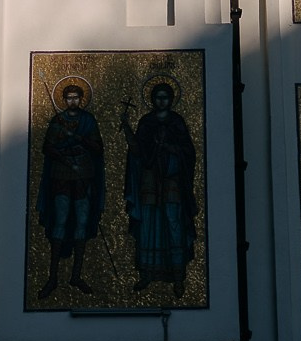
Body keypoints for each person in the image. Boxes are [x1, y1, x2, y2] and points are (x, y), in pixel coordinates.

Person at [121, 81, 197, 294]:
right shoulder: (146, 122)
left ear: (171, 99)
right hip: (150, 181)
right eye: (158, 97)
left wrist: (170, 148)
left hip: (172, 180)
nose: (161, 101)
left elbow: (188, 152)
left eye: (165, 97)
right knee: (149, 225)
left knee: (173, 223)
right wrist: (127, 128)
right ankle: (146, 273)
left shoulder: (177, 122)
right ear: (153, 99)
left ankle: (178, 275)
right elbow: (137, 150)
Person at [36, 81, 104, 299]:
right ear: (64, 100)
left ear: (81, 99)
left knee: (82, 221)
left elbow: (97, 147)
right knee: (61, 220)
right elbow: (46, 147)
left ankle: (76, 275)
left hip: (83, 172)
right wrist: (63, 153)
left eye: (76, 97)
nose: (72, 101)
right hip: (62, 174)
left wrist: (79, 139)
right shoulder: (58, 121)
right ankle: (53, 277)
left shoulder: (88, 120)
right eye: (69, 98)